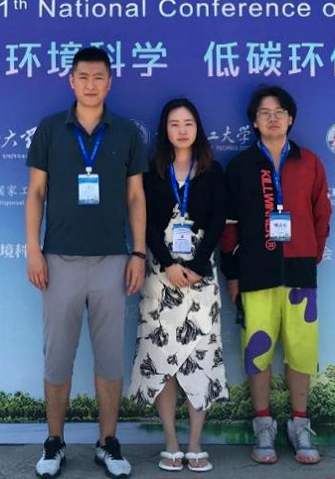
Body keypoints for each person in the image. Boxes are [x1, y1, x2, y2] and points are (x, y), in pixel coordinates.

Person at [25, 46, 147, 479]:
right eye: (83, 77)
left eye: (99, 77)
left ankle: (107, 442)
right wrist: (33, 249)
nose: (91, 84)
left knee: (110, 358)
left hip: (113, 258)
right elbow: (36, 193)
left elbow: (136, 196)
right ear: (71, 81)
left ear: (109, 82)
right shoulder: (50, 129)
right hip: (59, 259)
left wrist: (138, 252)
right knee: (58, 356)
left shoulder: (126, 132)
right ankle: (54, 441)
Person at [220, 85, 332, 465]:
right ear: (254, 121)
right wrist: (233, 274)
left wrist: (312, 254)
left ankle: (300, 424)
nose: (273, 118)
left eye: (280, 112)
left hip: (300, 272)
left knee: (302, 351)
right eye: (265, 112)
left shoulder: (309, 162)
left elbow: (322, 214)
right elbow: (229, 226)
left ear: (291, 118)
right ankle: (263, 424)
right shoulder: (240, 166)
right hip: (255, 272)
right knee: (257, 351)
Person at [129, 98, 228, 473]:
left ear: (197, 128)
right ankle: (170, 441)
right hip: (160, 276)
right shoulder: (152, 171)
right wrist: (168, 263)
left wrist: (198, 266)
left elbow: (218, 221)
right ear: (164, 130)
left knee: (200, 358)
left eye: (188, 123)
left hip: (201, 280)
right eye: (174, 124)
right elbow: (145, 222)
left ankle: (196, 443)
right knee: (163, 359)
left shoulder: (212, 171)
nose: (182, 130)